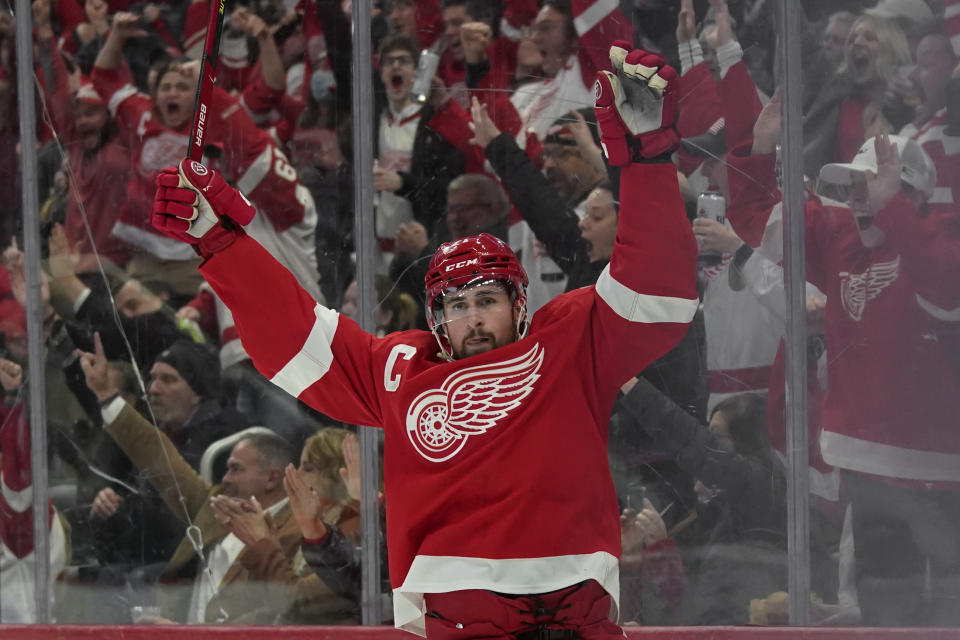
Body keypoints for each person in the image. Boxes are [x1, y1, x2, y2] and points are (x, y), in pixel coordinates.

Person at [150, 41, 698, 638]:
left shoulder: (567, 341)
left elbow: (655, 295)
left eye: (486, 300)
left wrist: (646, 157)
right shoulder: (400, 369)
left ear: (520, 307)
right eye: (456, 307)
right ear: (437, 322)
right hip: (451, 612)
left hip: (572, 601)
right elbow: (298, 341)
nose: (473, 318)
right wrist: (219, 242)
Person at [77, 333, 305, 624]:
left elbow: (282, 613)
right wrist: (107, 395)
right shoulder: (214, 506)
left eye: (236, 468)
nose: (225, 477)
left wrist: (188, 632)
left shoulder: (295, 533)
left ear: (272, 478)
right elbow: (157, 456)